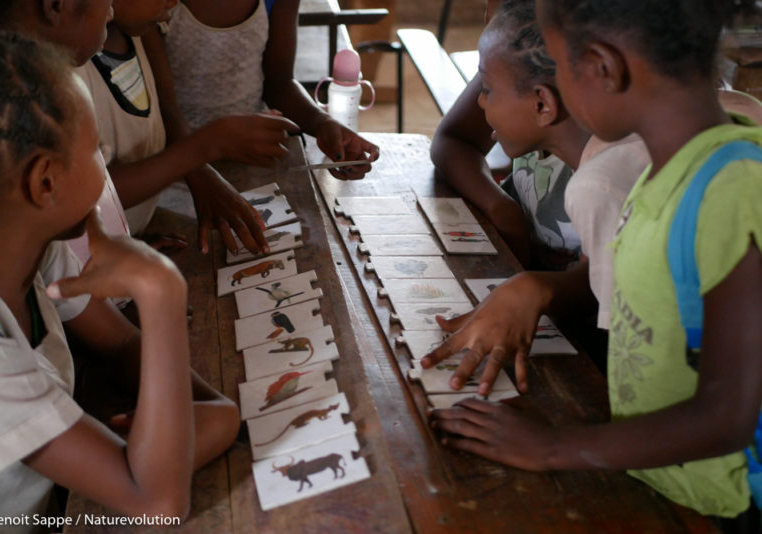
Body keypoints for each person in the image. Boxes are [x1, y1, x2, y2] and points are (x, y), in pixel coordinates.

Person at [429, 0, 762, 526]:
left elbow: (727, 417)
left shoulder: (730, 188)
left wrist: (554, 447)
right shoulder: (665, 166)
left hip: (730, 503)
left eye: (560, 66)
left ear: (604, 68)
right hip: (665, 473)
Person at [0, 33, 239, 531]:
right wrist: (160, 290)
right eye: (95, 150)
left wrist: (211, 417)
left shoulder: (36, 254)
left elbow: (123, 346)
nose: (105, 159)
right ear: (44, 182)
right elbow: (158, 504)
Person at [0, 0, 269, 256]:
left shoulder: (129, 37)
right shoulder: (31, 92)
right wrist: (205, 146)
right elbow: (78, 197)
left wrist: (121, 240)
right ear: (56, 6)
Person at [75, 0, 271, 255]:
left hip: (122, 244)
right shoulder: (71, 72)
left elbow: (165, 109)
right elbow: (81, 195)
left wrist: (129, 239)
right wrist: (203, 148)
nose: (173, 3)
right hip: (81, 272)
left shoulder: (137, 36)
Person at [141, 0, 380, 182]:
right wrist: (200, 175)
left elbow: (279, 83)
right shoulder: (159, 6)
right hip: (174, 162)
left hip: (254, 151)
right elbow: (166, 107)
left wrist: (322, 123)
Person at [430, 0, 582, 269]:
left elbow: (592, 289)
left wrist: (542, 284)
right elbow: (453, 139)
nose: (481, 100)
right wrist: (504, 210)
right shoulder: (516, 56)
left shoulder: (602, 177)